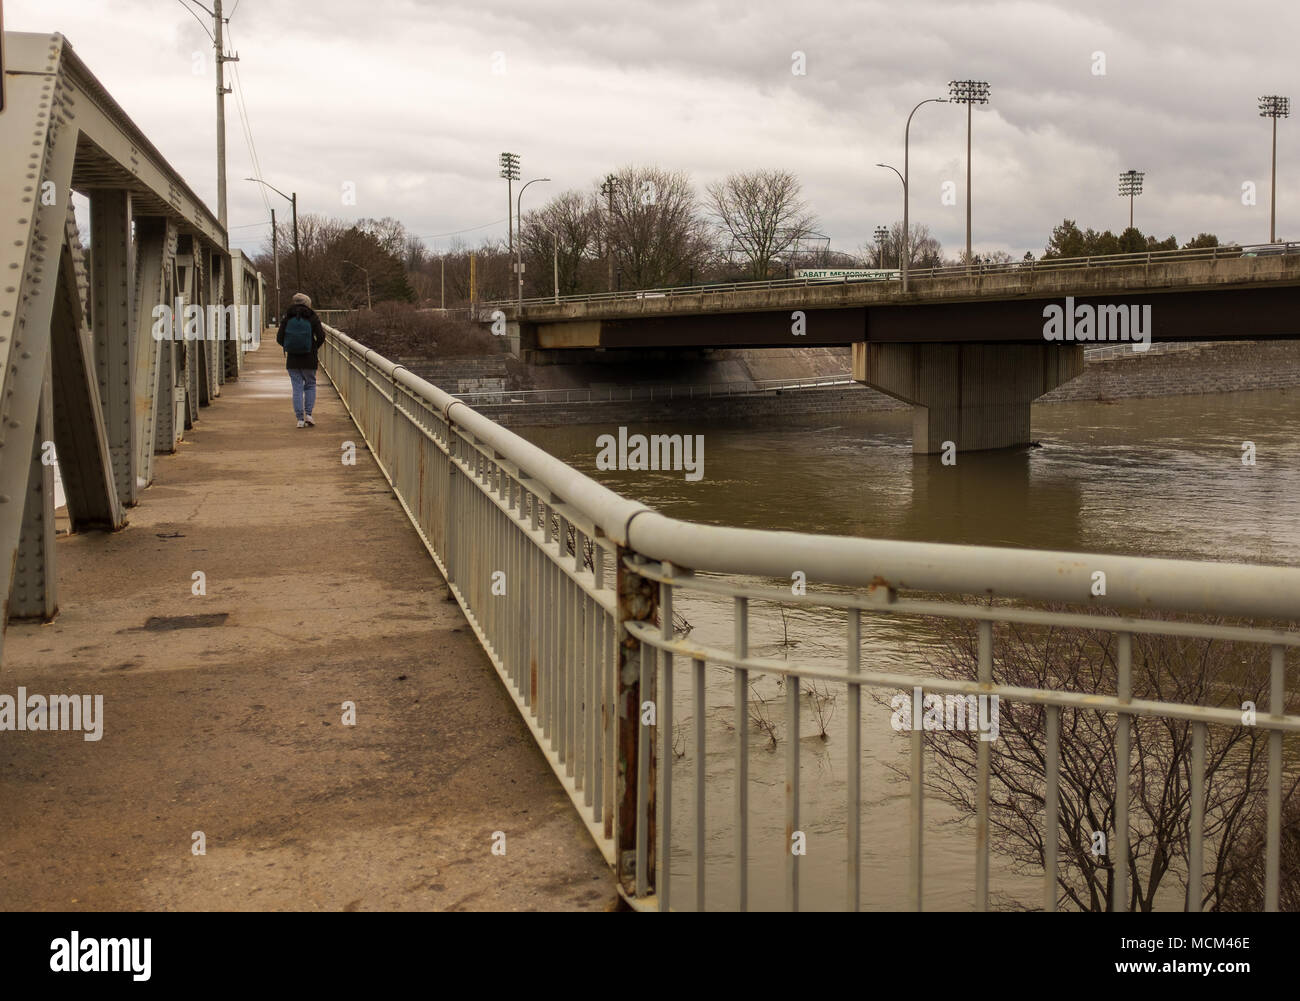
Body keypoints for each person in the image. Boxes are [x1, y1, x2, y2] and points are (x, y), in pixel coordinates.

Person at [275, 292, 326, 428]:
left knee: (297, 388)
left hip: (292, 360)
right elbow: (321, 336)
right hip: (309, 359)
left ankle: (300, 419)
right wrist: (313, 347)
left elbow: (279, 338)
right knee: (310, 385)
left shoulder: (287, 317)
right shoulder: (312, 317)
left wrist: (289, 348)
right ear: (308, 304)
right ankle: (309, 414)